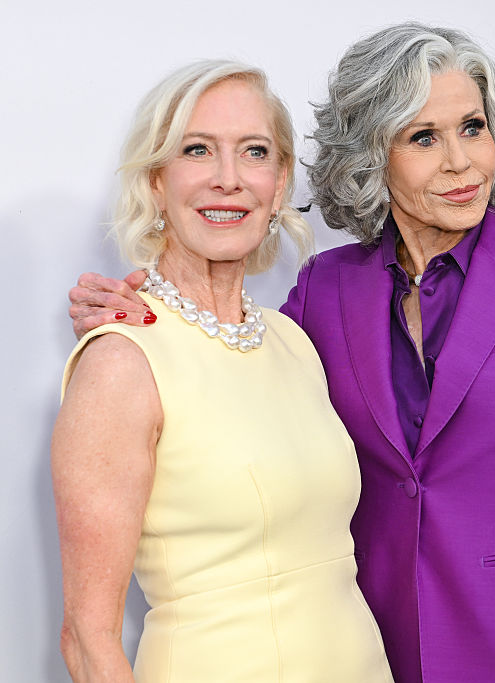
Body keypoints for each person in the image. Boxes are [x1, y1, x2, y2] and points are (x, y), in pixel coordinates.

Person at [71, 23, 495, 683]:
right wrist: (139, 305)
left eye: (472, 128)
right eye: (423, 137)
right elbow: (223, 362)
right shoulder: (322, 294)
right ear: (372, 154)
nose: (460, 162)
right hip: (382, 655)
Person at [52, 60, 392, 682]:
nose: (228, 179)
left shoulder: (294, 342)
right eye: (197, 150)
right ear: (157, 180)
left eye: (254, 152)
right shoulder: (121, 361)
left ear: (281, 180)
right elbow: (87, 637)